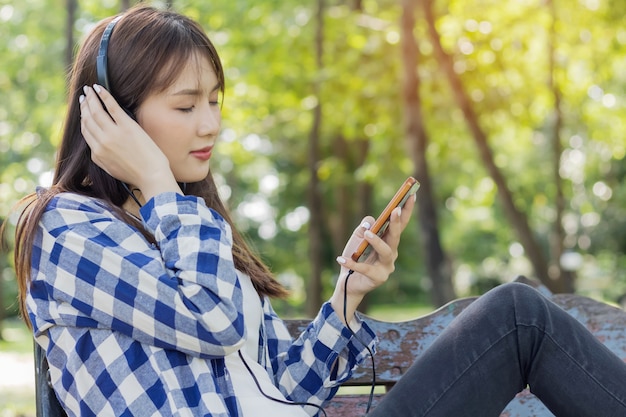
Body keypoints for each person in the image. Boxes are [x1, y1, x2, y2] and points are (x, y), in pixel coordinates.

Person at [6, 4, 626, 417]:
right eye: (186, 105)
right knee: (520, 316)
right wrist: (159, 183)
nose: (211, 124)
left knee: (517, 315)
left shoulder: (187, 224)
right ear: (112, 113)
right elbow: (212, 320)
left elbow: (288, 386)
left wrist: (347, 298)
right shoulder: (66, 229)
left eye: (216, 102)